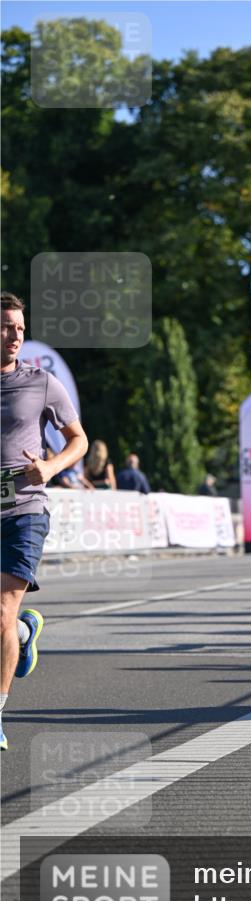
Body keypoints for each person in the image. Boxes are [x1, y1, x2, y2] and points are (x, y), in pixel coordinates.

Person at [1, 291, 88, 750]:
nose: (15, 335)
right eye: (6, 327)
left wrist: (51, 468)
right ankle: (24, 631)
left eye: (19, 326)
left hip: (25, 510)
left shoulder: (42, 383)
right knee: (3, 620)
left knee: (1, 609)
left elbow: (79, 440)